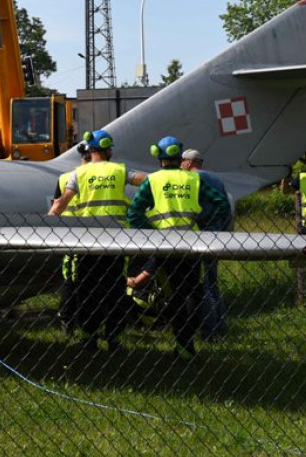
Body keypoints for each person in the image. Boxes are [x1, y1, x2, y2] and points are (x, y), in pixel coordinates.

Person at [126, 136, 230, 359]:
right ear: (179, 157)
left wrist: (151, 231)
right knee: (191, 291)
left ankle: (178, 340)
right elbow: (221, 203)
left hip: (163, 244)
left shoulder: (152, 181)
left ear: (159, 156)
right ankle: (186, 343)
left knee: (171, 292)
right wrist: (202, 221)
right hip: (191, 243)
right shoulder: (193, 179)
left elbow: (134, 213)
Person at [48, 129, 146, 351]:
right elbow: (143, 180)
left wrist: (48, 220)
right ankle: (113, 338)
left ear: (89, 150)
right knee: (114, 290)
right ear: (108, 149)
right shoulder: (119, 170)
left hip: (87, 242)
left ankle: (89, 338)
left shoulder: (78, 174)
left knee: (87, 291)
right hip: (115, 242)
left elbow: (61, 202)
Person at [180, 148, 231, 339]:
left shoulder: (192, 180)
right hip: (217, 235)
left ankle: (208, 330)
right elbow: (226, 208)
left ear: (187, 163)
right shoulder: (216, 180)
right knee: (212, 282)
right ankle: (220, 324)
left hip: (198, 235)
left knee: (200, 285)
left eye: (181, 162)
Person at [51, 142, 90, 333]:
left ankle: (67, 321)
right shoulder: (97, 177)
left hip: (69, 236)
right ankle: (78, 320)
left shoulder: (64, 178)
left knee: (70, 281)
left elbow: (56, 204)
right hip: (92, 235)